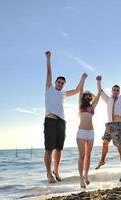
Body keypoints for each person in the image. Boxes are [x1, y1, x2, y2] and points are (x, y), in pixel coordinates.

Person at [44, 51, 84, 183]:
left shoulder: (63, 94)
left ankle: (56, 170)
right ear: (55, 82)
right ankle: (49, 174)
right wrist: (49, 58)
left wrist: (83, 79)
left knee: (59, 149)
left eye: (62, 83)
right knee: (49, 149)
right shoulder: (49, 88)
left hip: (62, 122)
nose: (60, 84)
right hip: (50, 121)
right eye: (59, 82)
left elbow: (78, 90)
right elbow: (49, 73)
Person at [95, 74, 121, 182]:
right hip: (109, 125)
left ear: (119, 92)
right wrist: (98, 82)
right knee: (105, 143)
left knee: (120, 148)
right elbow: (100, 92)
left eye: (117, 90)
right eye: (114, 90)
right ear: (112, 91)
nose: (115, 91)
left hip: (118, 125)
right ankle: (102, 161)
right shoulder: (108, 99)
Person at [76, 74, 102, 188]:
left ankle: (86, 175)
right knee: (81, 155)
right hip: (81, 132)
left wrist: (98, 82)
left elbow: (99, 93)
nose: (87, 96)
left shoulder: (93, 106)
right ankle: (81, 179)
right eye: (85, 95)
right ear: (83, 96)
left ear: (90, 97)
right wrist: (83, 79)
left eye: (88, 95)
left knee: (88, 155)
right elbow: (80, 90)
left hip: (91, 132)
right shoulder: (80, 105)